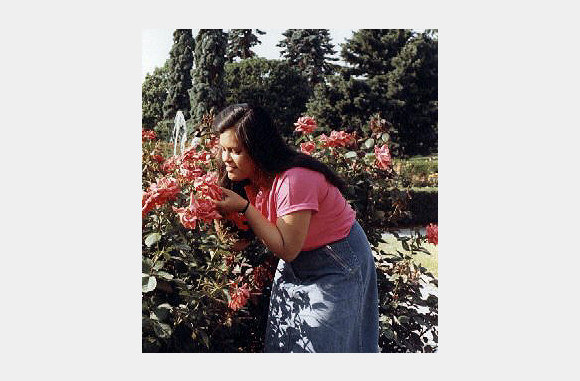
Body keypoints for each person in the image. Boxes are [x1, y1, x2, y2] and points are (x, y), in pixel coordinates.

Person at [213, 103, 379, 353]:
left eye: (235, 150)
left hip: (337, 261)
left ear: (258, 149)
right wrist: (216, 212)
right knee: (287, 340)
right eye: (223, 149)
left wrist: (245, 208)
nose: (226, 159)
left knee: (321, 346)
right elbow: (236, 243)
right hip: (297, 259)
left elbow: (287, 249)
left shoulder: (294, 179)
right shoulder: (248, 180)